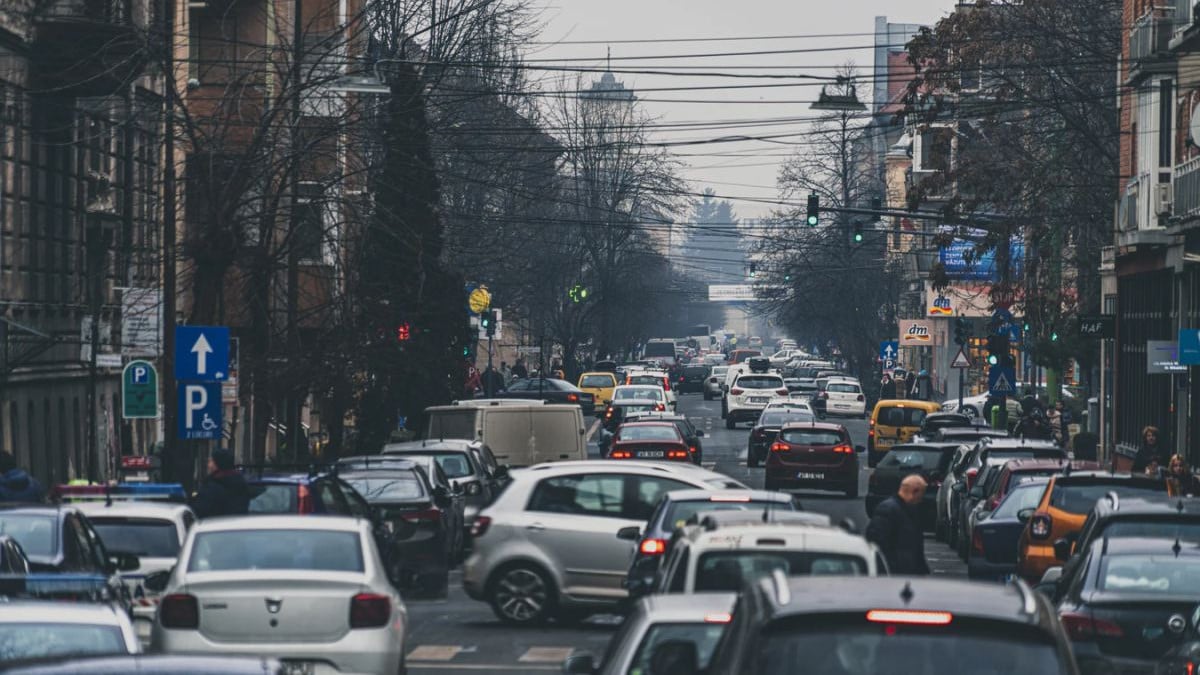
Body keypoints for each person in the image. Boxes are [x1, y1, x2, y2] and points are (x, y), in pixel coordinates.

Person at [866, 474, 930, 575]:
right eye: (920, 495)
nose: (921, 500)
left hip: (905, 573)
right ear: (914, 491)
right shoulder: (888, 510)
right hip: (894, 574)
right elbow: (876, 543)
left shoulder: (909, 511)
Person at [191, 448, 251, 518]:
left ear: (218, 464)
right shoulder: (241, 484)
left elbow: (199, 510)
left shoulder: (212, 487)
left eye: (211, 461)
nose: (208, 465)